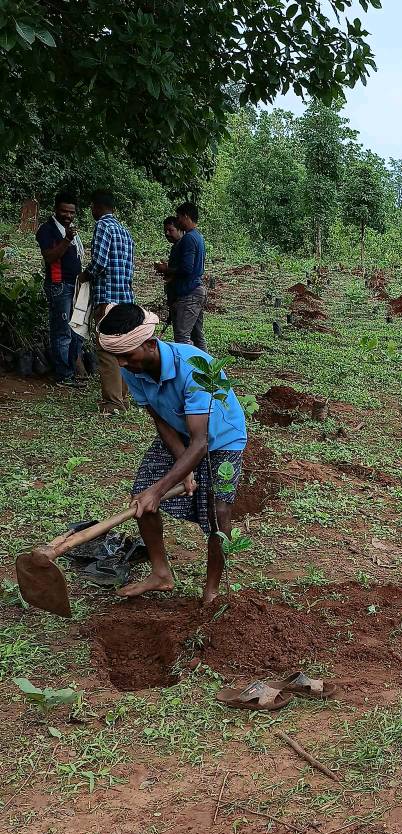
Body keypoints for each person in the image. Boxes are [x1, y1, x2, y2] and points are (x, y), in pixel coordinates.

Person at [97, 303, 247, 605]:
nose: (122, 364)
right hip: (179, 432)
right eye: (117, 357)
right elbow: (160, 420)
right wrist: (181, 468)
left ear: (151, 344)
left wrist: (160, 489)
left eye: (127, 355)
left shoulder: (194, 368)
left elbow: (201, 442)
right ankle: (161, 573)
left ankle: (212, 590)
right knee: (141, 497)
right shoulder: (133, 369)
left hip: (222, 439)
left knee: (218, 513)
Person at [77, 190, 135, 414]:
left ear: (96, 206)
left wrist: (84, 275)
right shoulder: (124, 231)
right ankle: (123, 398)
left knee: (106, 348)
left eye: (92, 207)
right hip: (126, 299)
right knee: (123, 348)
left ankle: (112, 403)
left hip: (107, 299)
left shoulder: (103, 226)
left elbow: (99, 263)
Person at [35, 191, 84, 387]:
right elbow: (49, 257)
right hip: (59, 285)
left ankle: (70, 371)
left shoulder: (68, 229)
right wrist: (66, 240)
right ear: (56, 209)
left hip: (74, 285)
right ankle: (63, 375)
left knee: (75, 331)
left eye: (71, 212)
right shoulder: (47, 230)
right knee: (62, 331)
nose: (68, 216)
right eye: (64, 211)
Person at [162, 201, 207, 350]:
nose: (178, 220)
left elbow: (187, 268)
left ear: (186, 216)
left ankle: (186, 364)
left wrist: (167, 269)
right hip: (196, 290)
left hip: (189, 293)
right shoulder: (198, 237)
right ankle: (208, 365)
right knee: (197, 337)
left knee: (182, 337)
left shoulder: (188, 238)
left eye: (179, 217)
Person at [154, 216, 183, 325]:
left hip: (182, 295)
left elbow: (185, 269)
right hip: (175, 294)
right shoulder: (175, 246)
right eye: (165, 231)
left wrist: (166, 269)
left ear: (179, 229)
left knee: (181, 331)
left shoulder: (183, 245)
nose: (167, 233)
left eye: (171, 230)